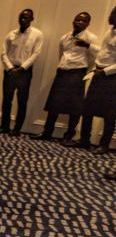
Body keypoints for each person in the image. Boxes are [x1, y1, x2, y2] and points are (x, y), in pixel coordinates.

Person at [36, 12, 98, 141]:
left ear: (88, 24)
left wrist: (86, 69)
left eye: (83, 21)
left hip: (77, 73)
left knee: (74, 106)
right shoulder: (65, 37)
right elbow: (61, 55)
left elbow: (96, 57)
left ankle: (69, 135)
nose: (80, 22)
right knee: (54, 104)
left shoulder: (91, 38)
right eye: (77, 20)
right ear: (73, 21)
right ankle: (47, 132)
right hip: (62, 72)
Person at [65, 5, 116, 155]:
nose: (111, 16)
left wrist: (105, 71)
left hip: (111, 77)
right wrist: (88, 46)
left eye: (114, 14)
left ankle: (104, 145)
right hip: (98, 73)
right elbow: (103, 52)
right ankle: (84, 140)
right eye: (112, 13)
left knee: (109, 113)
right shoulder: (109, 32)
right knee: (87, 108)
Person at [0, 9, 43, 136]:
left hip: (24, 72)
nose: (23, 20)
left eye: (26, 18)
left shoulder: (37, 34)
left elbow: (36, 53)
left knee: (22, 101)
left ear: (32, 19)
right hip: (10, 71)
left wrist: (22, 68)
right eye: (21, 17)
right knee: (7, 100)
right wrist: (10, 68)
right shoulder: (11, 34)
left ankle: (17, 129)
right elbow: (3, 53)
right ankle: (4, 126)